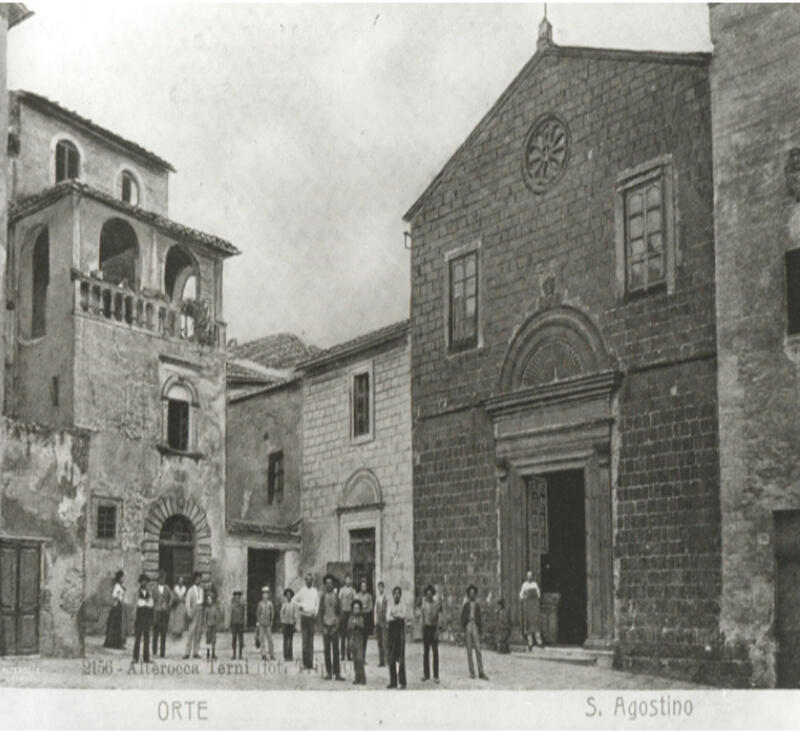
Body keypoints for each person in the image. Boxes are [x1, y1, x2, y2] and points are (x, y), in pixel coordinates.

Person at [317, 574, 344, 681]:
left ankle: (337, 674)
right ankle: (329, 673)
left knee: (336, 651)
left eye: (331, 583)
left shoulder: (337, 597)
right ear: (325, 585)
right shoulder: (322, 597)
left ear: (333, 584)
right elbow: (320, 613)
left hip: (334, 627)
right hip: (325, 627)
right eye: (327, 583)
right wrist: (322, 627)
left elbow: (340, 613)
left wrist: (336, 625)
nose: (329, 585)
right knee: (327, 651)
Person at [461, 584, 488, 680]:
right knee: (469, 650)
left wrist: (481, 629)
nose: (472, 594)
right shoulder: (466, 605)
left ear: (475, 594)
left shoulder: (477, 605)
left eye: (473, 593)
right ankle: (472, 672)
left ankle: (481, 672)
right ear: (468, 594)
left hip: (475, 626)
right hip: (468, 625)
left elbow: (480, 618)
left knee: (478, 649)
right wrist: (463, 629)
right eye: (470, 593)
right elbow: (462, 617)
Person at [292, 573, 319, 670]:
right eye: (307, 580)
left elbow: (317, 603)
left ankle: (310, 663)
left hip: (311, 617)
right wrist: (299, 606)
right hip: (304, 617)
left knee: (311, 642)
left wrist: (315, 613)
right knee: (304, 641)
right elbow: (293, 600)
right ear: (305, 581)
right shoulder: (302, 591)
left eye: (310, 580)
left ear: (312, 581)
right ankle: (305, 663)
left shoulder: (315, 591)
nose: (309, 581)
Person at [386, 586, 407, 689]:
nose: (396, 595)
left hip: (400, 633)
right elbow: (388, 618)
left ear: (400, 595)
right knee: (391, 658)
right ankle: (393, 682)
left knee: (400, 658)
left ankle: (402, 682)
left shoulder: (403, 605)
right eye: (395, 593)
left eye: (398, 593)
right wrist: (397, 616)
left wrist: (394, 615)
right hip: (391, 633)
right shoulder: (390, 605)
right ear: (393, 595)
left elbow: (403, 616)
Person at [420, 584, 441, 683]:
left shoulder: (436, 604)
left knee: (435, 653)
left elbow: (438, 619)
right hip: (426, 629)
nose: (429, 596)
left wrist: (437, 631)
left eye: (431, 594)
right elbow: (422, 618)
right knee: (426, 653)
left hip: (433, 629)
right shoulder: (424, 605)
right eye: (427, 594)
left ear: (433, 594)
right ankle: (426, 674)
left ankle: (436, 676)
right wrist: (422, 630)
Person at [132, 573, 154, 664]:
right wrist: (146, 602)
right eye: (142, 581)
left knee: (147, 638)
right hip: (139, 618)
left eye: (145, 581)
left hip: (147, 618)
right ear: (140, 583)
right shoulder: (137, 593)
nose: (144, 583)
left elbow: (151, 604)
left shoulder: (150, 593)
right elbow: (137, 604)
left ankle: (146, 658)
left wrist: (144, 602)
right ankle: (135, 658)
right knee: (137, 638)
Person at [151, 570, 173, 659]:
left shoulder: (167, 588)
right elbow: (152, 599)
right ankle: (154, 651)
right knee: (155, 632)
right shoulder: (155, 588)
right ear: (158, 579)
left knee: (163, 632)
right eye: (161, 578)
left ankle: (162, 653)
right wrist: (154, 606)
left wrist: (168, 605)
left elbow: (172, 597)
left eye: (163, 578)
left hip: (164, 612)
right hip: (157, 612)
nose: (162, 580)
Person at [519, 570, 543, 650]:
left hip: (534, 606)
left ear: (532, 577)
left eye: (531, 576)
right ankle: (530, 643)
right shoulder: (524, 585)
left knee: (536, 624)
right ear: (526, 577)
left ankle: (539, 642)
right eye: (528, 576)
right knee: (528, 624)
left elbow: (539, 594)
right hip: (528, 606)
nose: (529, 577)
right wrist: (525, 596)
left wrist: (535, 596)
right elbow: (520, 595)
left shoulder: (535, 584)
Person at [183, 572, 205, 659]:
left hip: (200, 611)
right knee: (191, 632)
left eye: (200, 578)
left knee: (199, 632)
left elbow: (203, 601)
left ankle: (196, 652)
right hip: (194, 611)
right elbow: (187, 603)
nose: (199, 580)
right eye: (197, 578)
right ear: (194, 579)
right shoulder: (190, 590)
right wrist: (189, 613)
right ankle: (187, 652)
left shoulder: (202, 590)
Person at [103, 570, 126, 649]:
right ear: (119, 578)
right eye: (122, 577)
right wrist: (118, 600)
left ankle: (118, 642)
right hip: (117, 606)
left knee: (119, 624)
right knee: (117, 624)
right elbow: (114, 595)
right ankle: (116, 643)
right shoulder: (117, 586)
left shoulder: (120, 586)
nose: (123, 579)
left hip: (120, 605)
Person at [354, 579, 373, 664]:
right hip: (358, 618)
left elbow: (371, 608)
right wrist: (362, 609)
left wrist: (363, 610)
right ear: (360, 587)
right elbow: (355, 607)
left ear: (367, 587)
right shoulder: (357, 596)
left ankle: (363, 658)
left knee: (364, 640)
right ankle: (357, 658)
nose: (363, 587)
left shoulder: (369, 596)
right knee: (357, 639)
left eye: (365, 586)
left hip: (366, 620)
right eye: (362, 586)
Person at [348, 599, 366, 685]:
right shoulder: (351, 618)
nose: (356, 610)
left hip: (359, 640)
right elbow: (348, 627)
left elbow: (362, 627)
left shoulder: (361, 618)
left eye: (358, 608)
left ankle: (362, 678)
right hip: (352, 640)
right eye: (354, 608)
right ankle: (357, 677)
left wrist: (357, 624)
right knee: (355, 659)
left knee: (360, 659)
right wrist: (352, 625)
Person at [338, 573, 355, 661]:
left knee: (350, 635)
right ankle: (342, 655)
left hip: (350, 613)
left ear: (351, 581)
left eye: (349, 579)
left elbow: (355, 602)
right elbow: (339, 600)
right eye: (346, 579)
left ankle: (349, 655)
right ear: (345, 580)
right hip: (343, 614)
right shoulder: (341, 590)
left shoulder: (353, 591)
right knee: (343, 635)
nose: (348, 581)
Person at [204, 588, 224, 660]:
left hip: (214, 626)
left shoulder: (215, 608)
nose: (208, 600)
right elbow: (204, 618)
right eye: (207, 599)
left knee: (213, 640)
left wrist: (218, 612)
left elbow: (218, 617)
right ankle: (208, 653)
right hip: (208, 626)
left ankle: (213, 653)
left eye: (210, 599)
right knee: (208, 640)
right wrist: (205, 626)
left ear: (212, 600)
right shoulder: (206, 609)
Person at [257, 586, 275, 661]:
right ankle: (263, 654)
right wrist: (258, 622)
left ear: (268, 595)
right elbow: (258, 613)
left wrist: (271, 621)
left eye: (266, 594)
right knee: (262, 640)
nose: (265, 595)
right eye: (264, 594)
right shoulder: (260, 604)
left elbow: (272, 613)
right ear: (262, 595)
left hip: (268, 624)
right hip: (261, 624)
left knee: (270, 639)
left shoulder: (270, 604)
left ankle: (272, 654)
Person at [374, 581, 388, 667]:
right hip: (378, 621)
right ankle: (381, 661)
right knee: (379, 642)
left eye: (381, 587)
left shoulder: (386, 598)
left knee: (385, 641)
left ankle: (387, 661)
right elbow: (375, 610)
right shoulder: (377, 598)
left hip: (384, 621)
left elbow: (387, 610)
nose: (380, 589)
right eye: (379, 587)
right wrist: (375, 621)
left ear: (383, 588)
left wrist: (387, 621)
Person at [280, 588, 296, 661]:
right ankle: (286, 656)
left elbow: (295, 615)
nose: (288, 596)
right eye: (287, 595)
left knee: (290, 640)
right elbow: (281, 614)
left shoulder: (293, 605)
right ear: (286, 596)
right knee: (285, 640)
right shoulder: (284, 604)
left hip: (291, 624)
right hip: (285, 624)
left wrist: (294, 622)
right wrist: (283, 621)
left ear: (291, 596)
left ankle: (290, 656)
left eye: (290, 595)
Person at [229, 590, 245, 660]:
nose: (237, 599)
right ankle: (234, 654)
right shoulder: (232, 606)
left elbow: (243, 615)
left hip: (240, 624)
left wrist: (243, 624)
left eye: (238, 597)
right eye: (236, 597)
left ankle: (240, 655)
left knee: (241, 640)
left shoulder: (242, 606)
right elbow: (231, 616)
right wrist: (231, 624)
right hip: (234, 625)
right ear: (234, 598)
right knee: (234, 640)